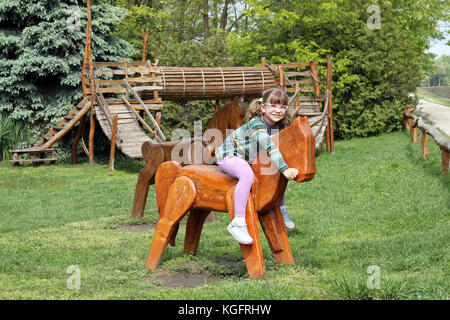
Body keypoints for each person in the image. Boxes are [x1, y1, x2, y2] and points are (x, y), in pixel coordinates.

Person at [215, 88, 298, 245]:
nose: (278, 110)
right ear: (263, 107)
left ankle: (281, 209)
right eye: (273, 105)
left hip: (249, 158)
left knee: (274, 174)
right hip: (230, 156)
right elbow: (269, 146)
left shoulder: (278, 126)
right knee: (247, 176)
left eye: (282, 107)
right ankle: (238, 222)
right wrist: (285, 169)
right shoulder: (256, 124)